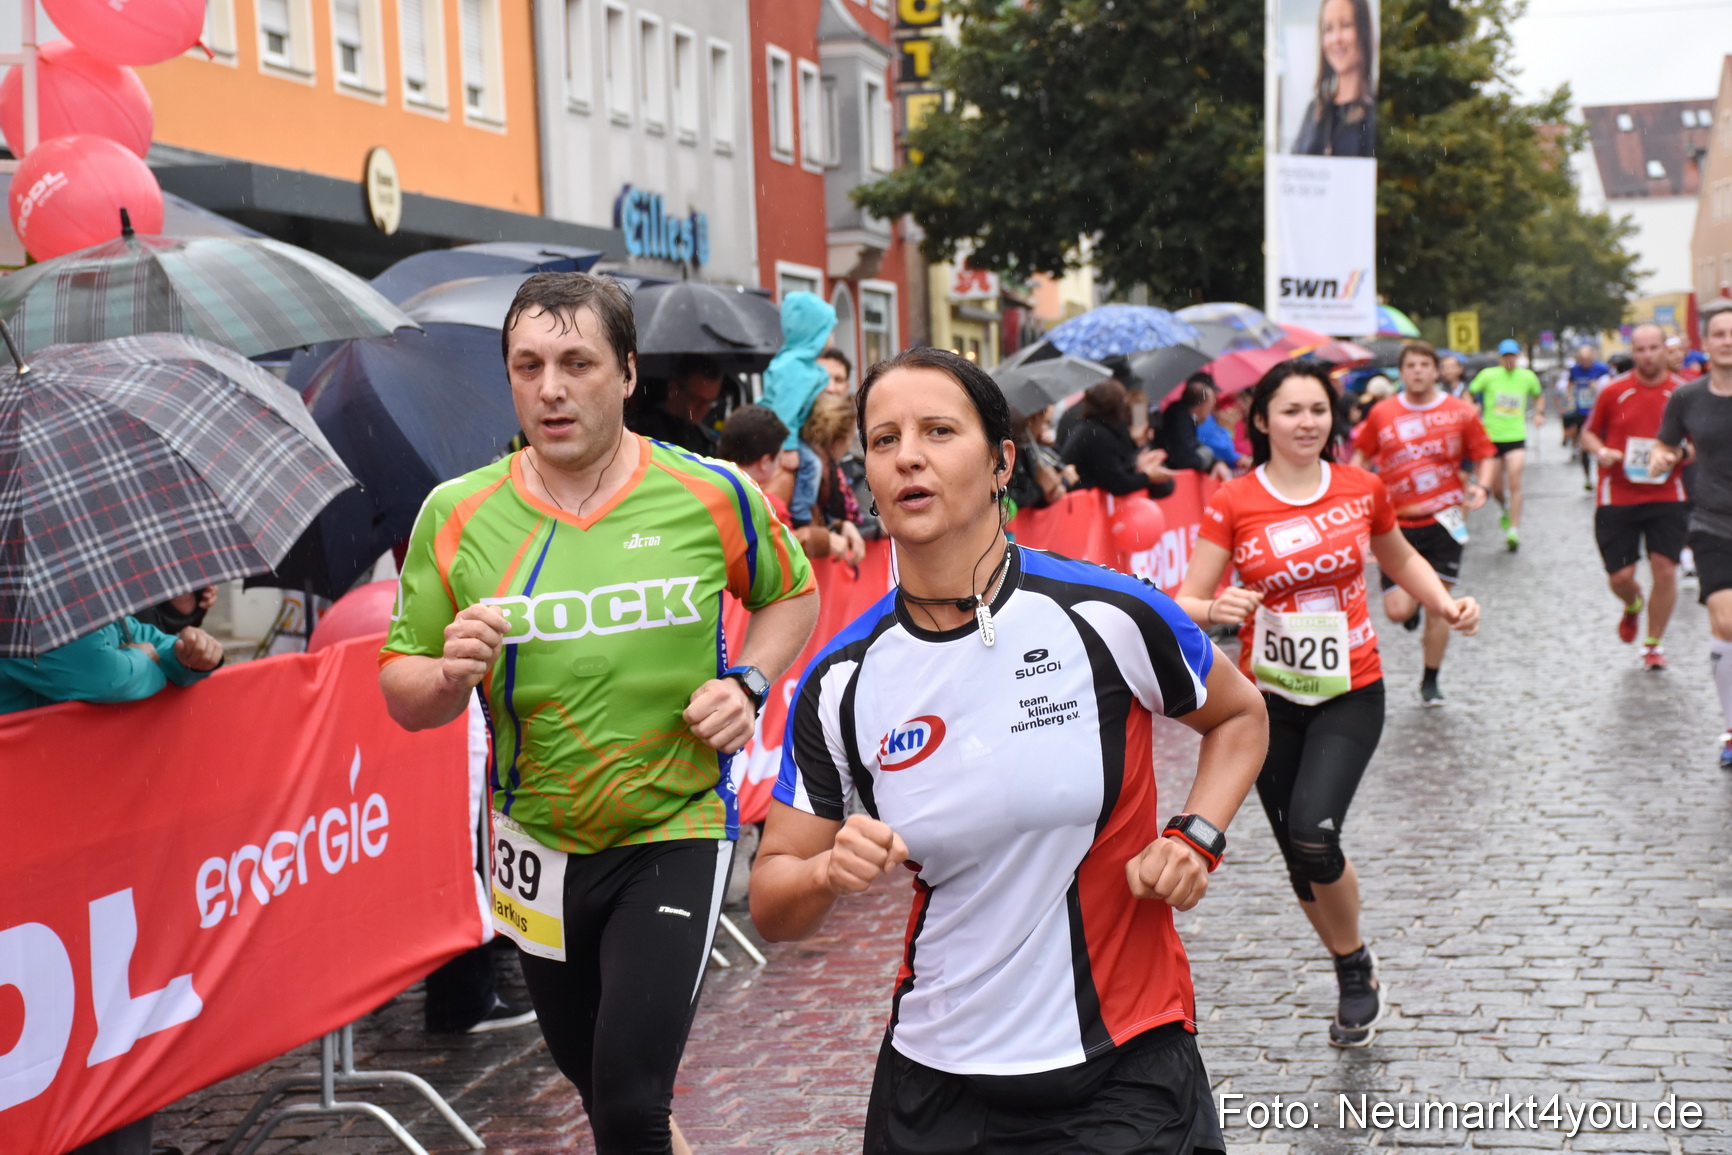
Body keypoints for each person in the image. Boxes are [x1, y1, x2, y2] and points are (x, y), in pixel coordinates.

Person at [750, 346, 1268, 1155]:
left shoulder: (1107, 613)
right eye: (883, 440)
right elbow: (774, 899)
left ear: (1000, 463)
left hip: (1124, 1065)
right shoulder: (844, 677)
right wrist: (826, 872)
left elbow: (1239, 716)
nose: (907, 455)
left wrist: (1196, 835)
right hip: (938, 1082)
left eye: (937, 430)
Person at [379, 272, 820, 1155]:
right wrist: (445, 675)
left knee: (628, 1099)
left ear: (625, 372)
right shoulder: (456, 514)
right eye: (528, 364)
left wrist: (750, 686)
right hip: (533, 842)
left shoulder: (711, 491)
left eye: (576, 362)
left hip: (671, 825)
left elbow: (792, 596)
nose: (550, 387)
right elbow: (403, 688)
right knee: (598, 1084)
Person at [1175, 361, 1480, 1047]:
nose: (1307, 422)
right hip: (1266, 700)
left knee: (1315, 831)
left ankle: (1353, 964)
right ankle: (1350, 961)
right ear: (1261, 420)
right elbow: (1184, 598)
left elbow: (1398, 558)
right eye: (1291, 410)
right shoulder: (1234, 499)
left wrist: (1446, 603)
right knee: (1296, 853)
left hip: (1350, 687)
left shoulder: (1361, 487)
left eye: (1318, 409)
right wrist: (1212, 605)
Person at [1350, 341, 1497, 706]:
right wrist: (1351, 497)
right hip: (1394, 526)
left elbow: (1484, 455)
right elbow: (1360, 457)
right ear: (1402, 373)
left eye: (1423, 364)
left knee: (1439, 606)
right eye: (1410, 365)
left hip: (1446, 520)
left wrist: (1483, 485)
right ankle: (1412, 605)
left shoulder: (1460, 411)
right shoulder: (1382, 412)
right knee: (1398, 610)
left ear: (1436, 370)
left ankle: (1430, 680)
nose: (1417, 371)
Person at [1650, 301, 1732, 766]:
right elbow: (1667, 442)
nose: (1727, 340)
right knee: (1726, 621)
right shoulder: (1687, 398)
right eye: (1719, 333)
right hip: (1712, 520)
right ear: (1706, 342)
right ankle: (1731, 729)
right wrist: (1666, 456)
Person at [1579, 324, 1687, 671]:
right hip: (1618, 494)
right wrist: (1603, 451)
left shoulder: (1682, 393)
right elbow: (1589, 435)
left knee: (1666, 570)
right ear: (1632, 351)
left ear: (1664, 350)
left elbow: (1700, 444)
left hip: (1667, 493)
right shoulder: (1613, 391)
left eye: (1654, 348)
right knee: (1620, 577)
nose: (1648, 355)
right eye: (1641, 349)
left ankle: (1653, 644)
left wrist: (1676, 455)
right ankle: (1632, 605)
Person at [0, 613, 225, 714]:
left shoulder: (75, 597)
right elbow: (109, 680)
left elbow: (140, 635)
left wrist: (187, 656)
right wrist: (144, 657)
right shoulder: (23, 607)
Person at [762, 292, 839, 532]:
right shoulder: (795, 369)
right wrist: (790, 446)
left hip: (779, 431)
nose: (832, 337)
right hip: (778, 434)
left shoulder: (798, 364)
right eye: (828, 330)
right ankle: (800, 515)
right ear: (814, 334)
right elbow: (785, 411)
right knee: (811, 466)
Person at [1468, 338, 1545, 551]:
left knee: (1515, 479)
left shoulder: (1527, 377)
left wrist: (1538, 413)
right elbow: (1469, 391)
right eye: (1505, 356)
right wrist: (1470, 407)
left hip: (1516, 437)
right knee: (1495, 488)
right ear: (1500, 358)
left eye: (1512, 355)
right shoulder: (1488, 375)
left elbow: (1539, 397)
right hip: (1491, 439)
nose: (1509, 359)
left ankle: (1513, 530)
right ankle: (1505, 507)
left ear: (1518, 356)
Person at [1063, 377, 1176, 497]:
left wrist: (1137, 464)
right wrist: (1147, 475)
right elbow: (1117, 482)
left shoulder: (1091, 426)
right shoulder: (1098, 433)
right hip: (1083, 503)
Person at [1292, 0, 1376, 157]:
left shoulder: (1374, 113)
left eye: (1345, 25)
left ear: (1363, 31)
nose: (1336, 39)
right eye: (1328, 29)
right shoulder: (1315, 110)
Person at [802, 392, 868, 565]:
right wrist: (827, 539)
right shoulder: (812, 468)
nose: (848, 446)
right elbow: (788, 531)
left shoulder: (821, 467)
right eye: (850, 437)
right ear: (838, 440)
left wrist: (839, 525)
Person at [627, 353, 724, 456]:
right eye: (695, 399)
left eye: (710, 402)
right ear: (674, 389)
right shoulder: (644, 433)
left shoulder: (705, 439)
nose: (703, 409)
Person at [1159, 373, 1233, 481]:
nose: (1211, 410)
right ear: (1202, 405)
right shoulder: (1179, 418)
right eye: (1211, 403)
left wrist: (1214, 461)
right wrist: (1206, 458)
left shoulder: (1184, 417)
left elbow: (1193, 446)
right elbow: (1185, 457)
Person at [1006, 403, 1075, 512]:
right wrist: (1039, 488)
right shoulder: (1016, 450)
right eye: (1046, 422)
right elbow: (1009, 502)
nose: (1044, 430)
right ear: (1035, 417)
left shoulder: (1029, 447)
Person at [1563, 344, 1610, 489]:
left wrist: (1599, 387)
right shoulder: (1574, 370)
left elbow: (1612, 384)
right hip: (1582, 412)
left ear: (1593, 357)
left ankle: (1603, 476)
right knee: (1584, 447)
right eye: (1582, 359)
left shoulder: (1602, 368)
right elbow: (1570, 384)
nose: (1585, 361)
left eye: (1588, 358)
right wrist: (1570, 395)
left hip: (1599, 413)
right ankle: (1588, 478)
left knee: (1601, 445)